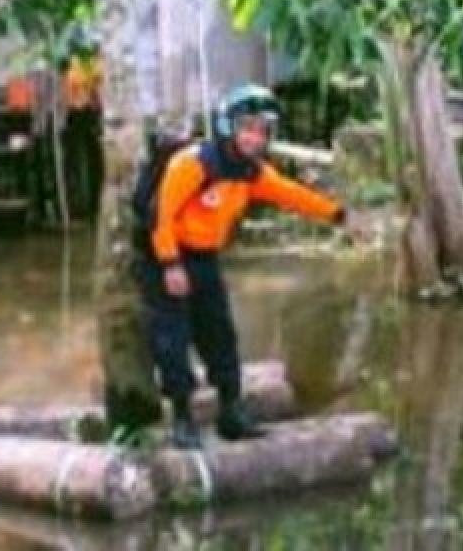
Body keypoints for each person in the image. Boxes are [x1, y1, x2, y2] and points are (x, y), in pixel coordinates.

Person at [137, 83, 368, 449]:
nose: (254, 137)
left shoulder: (250, 173)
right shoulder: (193, 164)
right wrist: (169, 264)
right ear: (228, 126)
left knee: (221, 337)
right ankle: (182, 418)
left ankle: (231, 413)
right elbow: (159, 217)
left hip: (205, 258)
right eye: (247, 127)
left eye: (261, 130)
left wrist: (338, 215)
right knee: (173, 340)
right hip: (167, 257)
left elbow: (291, 194)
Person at [60, 27, 104, 219]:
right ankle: (84, 204)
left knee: (84, 160)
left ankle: (85, 205)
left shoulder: (83, 64)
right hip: (82, 112)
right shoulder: (85, 63)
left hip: (83, 112)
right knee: (83, 160)